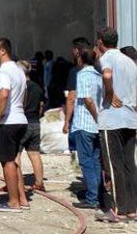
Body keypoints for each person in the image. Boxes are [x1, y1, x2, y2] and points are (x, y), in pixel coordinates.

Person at [94, 27, 137, 223]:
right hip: (130, 119)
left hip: (112, 120)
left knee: (114, 165)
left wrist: (110, 95)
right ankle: (132, 208)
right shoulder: (130, 62)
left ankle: (117, 209)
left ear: (101, 42)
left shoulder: (107, 58)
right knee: (130, 164)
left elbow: (107, 75)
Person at [0, 37, 29, 213]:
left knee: (8, 163)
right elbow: (25, 95)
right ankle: (22, 199)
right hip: (20, 120)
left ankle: (13, 202)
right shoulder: (19, 70)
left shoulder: (3, 72)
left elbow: (4, 94)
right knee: (14, 161)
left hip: (7, 123)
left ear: (2, 50)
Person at [70, 45, 105, 210]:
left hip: (85, 124)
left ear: (81, 58)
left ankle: (92, 199)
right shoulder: (98, 76)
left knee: (86, 162)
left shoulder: (82, 75)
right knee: (96, 162)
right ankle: (98, 194)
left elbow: (88, 100)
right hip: (96, 127)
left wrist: (96, 117)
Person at [16, 60, 46, 192]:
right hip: (35, 122)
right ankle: (39, 183)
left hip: (23, 122)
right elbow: (41, 106)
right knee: (34, 154)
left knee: (15, 154)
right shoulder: (38, 87)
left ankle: (17, 184)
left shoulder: (20, 87)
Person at [64, 38, 92, 169]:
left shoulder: (75, 72)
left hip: (81, 121)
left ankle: (90, 188)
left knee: (84, 158)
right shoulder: (98, 69)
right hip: (99, 119)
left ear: (76, 51)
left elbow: (71, 98)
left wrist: (66, 122)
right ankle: (103, 183)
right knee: (96, 156)